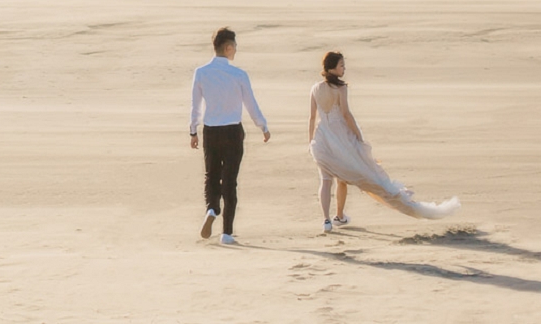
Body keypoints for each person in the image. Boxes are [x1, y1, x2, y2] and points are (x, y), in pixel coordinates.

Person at [307, 51, 460, 233]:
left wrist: (311, 142)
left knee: (326, 180)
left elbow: (312, 117)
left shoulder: (315, 88)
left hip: (322, 138)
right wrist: (359, 136)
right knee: (348, 178)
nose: (344, 69)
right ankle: (339, 216)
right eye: (341, 65)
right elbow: (346, 115)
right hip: (340, 138)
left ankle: (328, 220)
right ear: (332, 67)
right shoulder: (340, 88)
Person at [189, 27, 270, 245]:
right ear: (228, 47)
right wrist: (263, 126)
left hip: (211, 130)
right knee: (230, 181)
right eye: (234, 46)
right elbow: (251, 104)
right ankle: (226, 232)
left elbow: (196, 105)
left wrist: (193, 130)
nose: (236, 51)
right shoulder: (239, 74)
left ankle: (212, 209)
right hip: (233, 131)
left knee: (211, 175)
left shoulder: (201, 72)